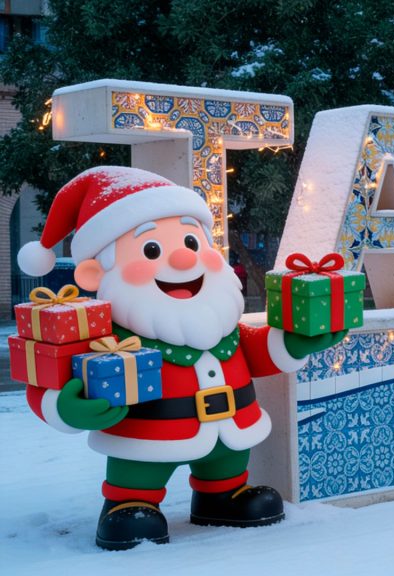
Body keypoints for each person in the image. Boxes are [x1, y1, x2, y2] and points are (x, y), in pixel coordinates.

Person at [16, 166, 344, 550]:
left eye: (191, 243)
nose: (185, 261)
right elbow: (50, 376)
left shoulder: (221, 323)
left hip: (231, 430)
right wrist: (67, 406)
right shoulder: (105, 336)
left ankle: (222, 496)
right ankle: (129, 502)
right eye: (151, 250)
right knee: (138, 474)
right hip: (145, 435)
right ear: (93, 273)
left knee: (229, 467)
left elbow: (255, 349)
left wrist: (294, 342)